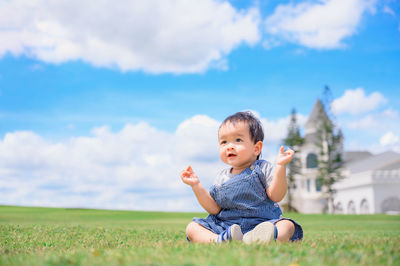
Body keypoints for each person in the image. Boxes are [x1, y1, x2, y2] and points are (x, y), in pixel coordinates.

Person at [180, 111, 303, 244]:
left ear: (256, 148)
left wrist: (280, 166)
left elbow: (276, 196)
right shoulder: (221, 177)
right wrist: (196, 185)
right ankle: (219, 240)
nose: (229, 146)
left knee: (287, 226)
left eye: (238, 140)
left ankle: (259, 238)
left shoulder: (262, 168)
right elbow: (215, 209)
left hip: (263, 224)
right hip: (227, 227)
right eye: (224, 142)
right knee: (192, 228)